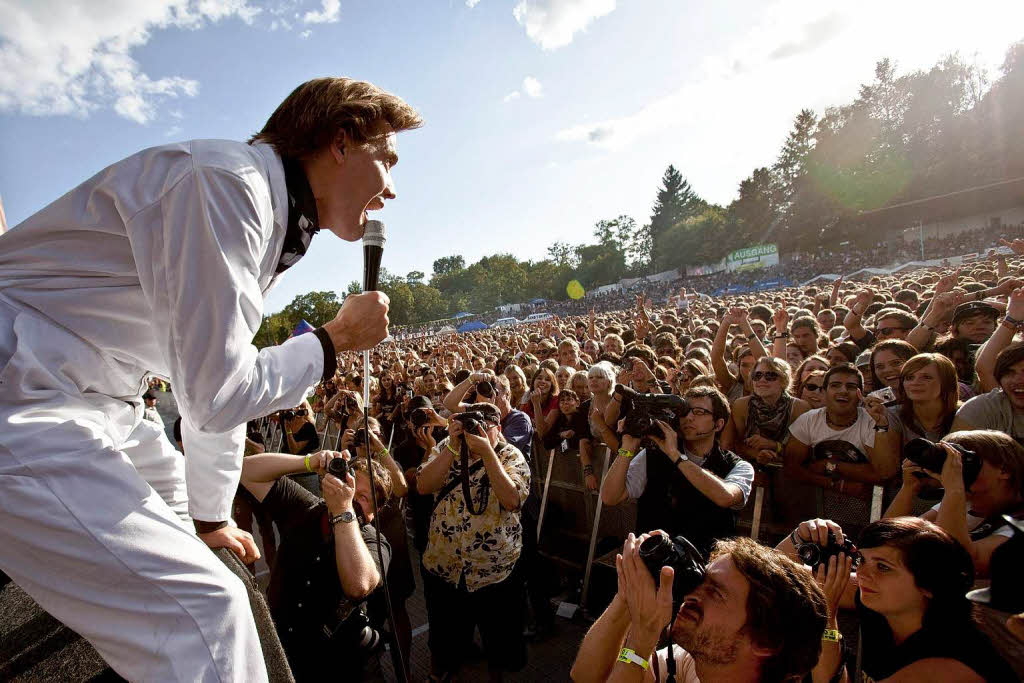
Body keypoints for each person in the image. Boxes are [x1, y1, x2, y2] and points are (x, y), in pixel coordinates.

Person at [0, 76, 416, 680]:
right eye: (389, 159)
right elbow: (218, 393)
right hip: (26, 397)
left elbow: (210, 381)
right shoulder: (224, 187)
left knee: (204, 552)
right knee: (207, 616)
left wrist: (212, 516)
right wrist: (332, 341)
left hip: (100, 399)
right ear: (341, 141)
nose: (392, 190)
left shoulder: (260, 210)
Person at [776, 516, 1017, 682]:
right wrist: (799, 537)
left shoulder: (952, 662)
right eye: (862, 560)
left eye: (883, 567)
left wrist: (827, 619)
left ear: (930, 585)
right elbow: (772, 578)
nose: (862, 574)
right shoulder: (883, 598)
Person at [570, 533, 827, 682]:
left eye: (715, 592)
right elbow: (587, 677)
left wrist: (641, 640)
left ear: (765, 641)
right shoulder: (702, 665)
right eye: (701, 580)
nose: (691, 593)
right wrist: (627, 596)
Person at [239, 449, 393, 681]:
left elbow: (358, 586)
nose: (350, 496)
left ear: (375, 512)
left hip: (331, 661)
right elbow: (245, 471)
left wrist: (343, 510)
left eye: (362, 497)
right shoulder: (305, 507)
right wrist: (309, 462)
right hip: (279, 642)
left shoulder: (373, 541)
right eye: (348, 486)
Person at [416, 402, 531, 680]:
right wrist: (453, 446)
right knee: (446, 640)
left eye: (483, 426)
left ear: (498, 429)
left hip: (495, 570)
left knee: (500, 644)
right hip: (445, 567)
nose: (475, 431)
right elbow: (423, 486)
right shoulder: (446, 448)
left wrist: (487, 453)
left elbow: (512, 499)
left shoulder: (509, 455)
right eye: (469, 425)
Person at [600, 385, 754, 556]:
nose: (688, 417)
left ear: (718, 424)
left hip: (707, 567)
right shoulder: (652, 455)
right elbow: (610, 497)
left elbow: (725, 497)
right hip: (654, 561)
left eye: (699, 412)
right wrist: (627, 447)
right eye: (685, 411)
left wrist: (675, 455)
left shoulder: (739, 466)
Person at [884, 430, 1024, 575]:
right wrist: (909, 488)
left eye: (964, 462)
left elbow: (958, 563)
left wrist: (954, 489)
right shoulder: (964, 502)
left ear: (1004, 470)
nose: (955, 469)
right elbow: (887, 540)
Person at [785, 363, 900, 493]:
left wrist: (831, 465)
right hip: (814, 502)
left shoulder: (873, 422)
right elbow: (791, 468)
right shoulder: (808, 420)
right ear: (824, 391)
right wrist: (836, 485)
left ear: (860, 395)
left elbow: (885, 473)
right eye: (835, 385)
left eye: (851, 387)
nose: (843, 391)